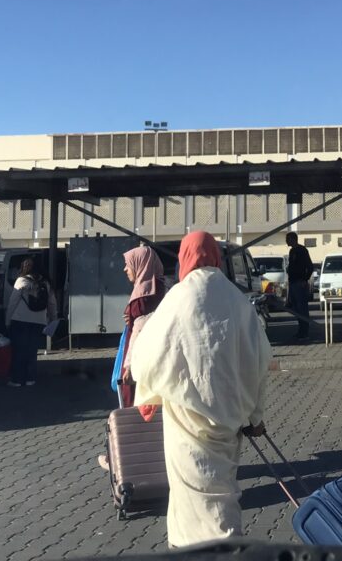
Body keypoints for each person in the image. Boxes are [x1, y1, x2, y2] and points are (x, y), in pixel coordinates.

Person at [131, 231, 271, 547]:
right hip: (230, 419)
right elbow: (261, 360)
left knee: (188, 495)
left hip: (187, 420)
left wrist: (152, 390)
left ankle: (193, 548)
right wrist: (256, 414)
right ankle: (223, 542)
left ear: (184, 258)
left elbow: (145, 357)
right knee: (223, 490)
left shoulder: (179, 297)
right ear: (216, 258)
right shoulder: (238, 299)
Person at [118, 245, 167, 407]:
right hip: (154, 354)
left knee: (136, 399)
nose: (125, 269)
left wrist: (129, 366)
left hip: (140, 355)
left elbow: (139, 330)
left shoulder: (146, 293)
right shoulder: (156, 286)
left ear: (141, 263)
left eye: (129, 264)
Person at [5, 258, 57, 387]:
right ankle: (30, 378)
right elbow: (52, 303)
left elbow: (12, 303)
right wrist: (53, 319)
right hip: (39, 321)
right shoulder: (45, 283)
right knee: (32, 351)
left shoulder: (21, 281)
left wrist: (7, 320)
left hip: (20, 320)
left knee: (19, 351)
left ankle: (17, 379)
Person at [285, 231, 314, 342]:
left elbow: (310, 266)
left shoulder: (302, 250)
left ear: (293, 239)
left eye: (288, 239)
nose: (286, 241)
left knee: (302, 308)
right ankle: (300, 331)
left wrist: (305, 279)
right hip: (292, 283)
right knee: (296, 308)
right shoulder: (292, 251)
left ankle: (304, 332)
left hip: (299, 283)